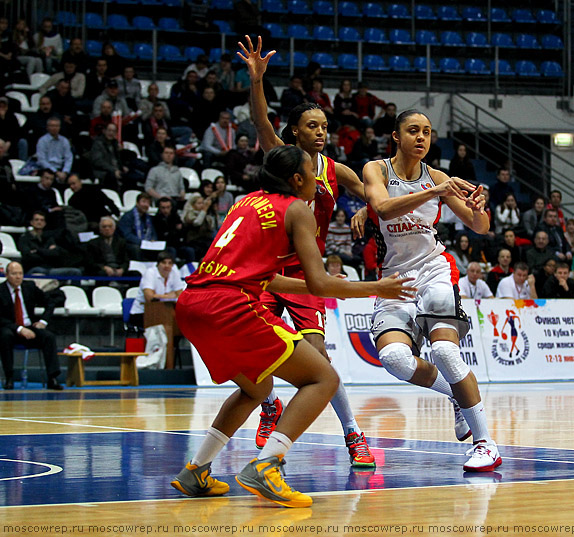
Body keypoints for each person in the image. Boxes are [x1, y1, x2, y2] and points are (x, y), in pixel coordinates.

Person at [169, 144, 414, 507]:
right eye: (312, 173)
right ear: (297, 179)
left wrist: (335, 286)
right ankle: (267, 465)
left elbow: (271, 280)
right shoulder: (297, 208)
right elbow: (320, 284)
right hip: (229, 305)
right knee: (323, 378)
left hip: (193, 304)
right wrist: (376, 287)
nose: (319, 179)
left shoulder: (246, 202)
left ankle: (196, 470)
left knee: (256, 389)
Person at [241, 37, 380, 464]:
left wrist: (369, 215)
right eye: (312, 126)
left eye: (324, 126)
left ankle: (353, 434)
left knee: (319, 360)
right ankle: (268, 406)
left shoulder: (337, 170)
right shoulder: (282, 158)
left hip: (306, 276)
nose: (321, 132)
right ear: (295, 131)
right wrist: (257, 81)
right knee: (249, 352)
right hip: (266, 269)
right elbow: (260, 119)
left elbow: (380, 198)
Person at [363, 107, 501, 472]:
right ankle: (454, 394)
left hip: (435, 270)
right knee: (394, 359)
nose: (421, 137)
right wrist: (437, 190)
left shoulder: (436, 176)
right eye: (413, 131)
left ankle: (486, 443)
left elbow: (479, 226)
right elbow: (383, 208)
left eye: (426, 131)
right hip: (394, 278)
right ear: (396, 136)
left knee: (444, 350)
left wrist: (478, 208)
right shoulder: (376, 170)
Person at [0, 261, 63, 390]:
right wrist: (19, 329)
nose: (18, 277)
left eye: (20, 273)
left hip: (30, 327)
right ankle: (9, 377)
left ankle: (52, 378)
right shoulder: (0, 290)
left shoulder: (29, 286)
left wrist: (43, 322)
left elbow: (50, 302)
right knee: (4, 336)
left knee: (48, 337)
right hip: (10, 328)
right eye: (14, 274)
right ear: (6, 275)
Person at [128, 251, 185, 328]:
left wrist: (158, 295)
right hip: (141, 313)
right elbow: (149, 297)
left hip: (164, 312)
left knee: (183, 321)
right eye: (164, 263)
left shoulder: (174, 272)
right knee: (168, 322)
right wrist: (169, 295)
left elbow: (181, 295)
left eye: (170, 263)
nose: (167, 266)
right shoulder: (150, 273)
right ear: (158, 264)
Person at [18, 211, 82, 277]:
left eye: (42, 220)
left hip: (50, 268)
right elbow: (28, 257)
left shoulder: (48, 238)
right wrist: (47, 253)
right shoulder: (25, 238)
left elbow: (56, 254)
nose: (39, 222)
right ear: (31, 222)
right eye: (36, 220)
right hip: (33, 269)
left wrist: (37, 251)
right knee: (41, 271)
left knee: (76, 272)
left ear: (45, 223)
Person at [118, 193, 157, 260]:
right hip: (131, 243)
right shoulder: (127, 217)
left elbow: (153, 232)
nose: (146, 205)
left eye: (148, 203)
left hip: (145, 243)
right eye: (143, 201)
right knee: (136, 249)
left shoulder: (148, 218)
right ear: (137, 203)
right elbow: (127, 235)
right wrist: (142, 242)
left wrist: (153, 239)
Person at [35, 117, 72, 181]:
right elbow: (42, 160)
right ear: (47, 127)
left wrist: (65, 172)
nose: (54, 128)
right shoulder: (42, 141)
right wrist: (55, 172)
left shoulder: (64, 141)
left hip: (61, 169)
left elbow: (68, 158)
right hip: (47, 170)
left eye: (57, 126)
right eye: (52, 126)